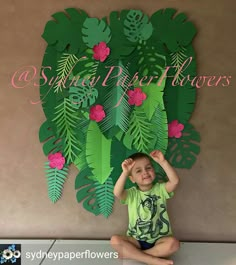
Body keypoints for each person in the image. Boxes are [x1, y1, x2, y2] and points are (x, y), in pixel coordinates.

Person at [110, 150, 180, 265]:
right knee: (115, 240)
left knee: (174, 244)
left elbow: (175, 181)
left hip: (159, 240)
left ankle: (134, 255)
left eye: (148, 168)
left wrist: (163, 162)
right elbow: (117, 192)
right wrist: (125, 172)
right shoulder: (132, 194)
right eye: (138, 171)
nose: (145, 172)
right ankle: (153, 260)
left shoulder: (160, 189)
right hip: (136, 240)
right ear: (132, 179)